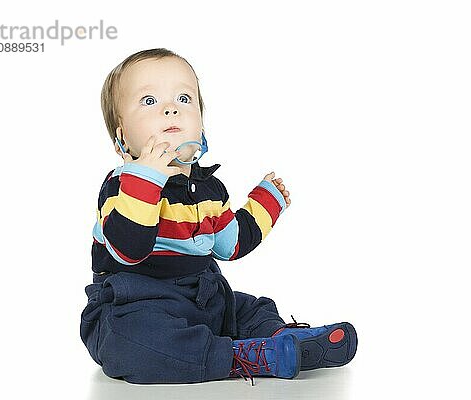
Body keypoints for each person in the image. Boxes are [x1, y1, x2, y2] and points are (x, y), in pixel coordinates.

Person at [80, 48, 357, 385]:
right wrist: (147, 177)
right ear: (122, 138)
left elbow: (231, 244)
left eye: (184, 98)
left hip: (201, 296)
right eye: (149, 101)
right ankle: (243, 357)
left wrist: (266, 203)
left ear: (201, 126)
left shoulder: (209, 189)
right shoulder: (122, 185)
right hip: (133, 302)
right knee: (132, 342)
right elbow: (130, 248)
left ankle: (283, 339)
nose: (170, 108)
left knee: (248, 308)